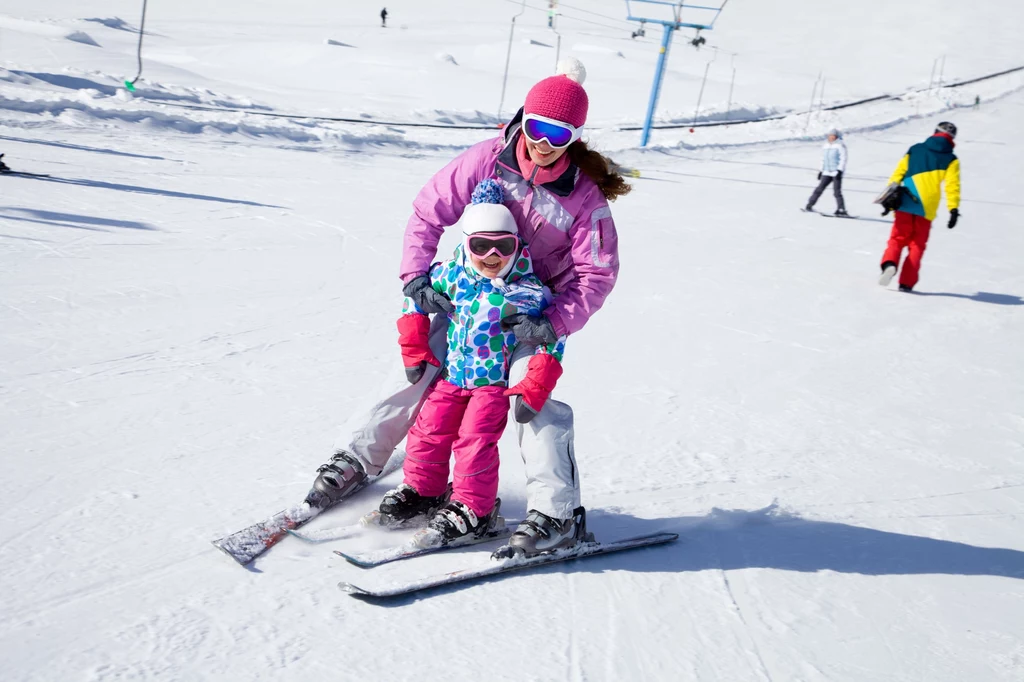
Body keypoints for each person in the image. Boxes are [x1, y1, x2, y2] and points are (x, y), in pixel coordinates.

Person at [305, 57, 630, 558]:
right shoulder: (486, 159)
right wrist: (416, 276)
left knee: (532, 400)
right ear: (523, 118)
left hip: (532, 314)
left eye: (560, 134)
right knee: (419, 369)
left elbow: (596, 274)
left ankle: (556, 514)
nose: (544, 143)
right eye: (538, 127)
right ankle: (359, 459)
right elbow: (428, 211)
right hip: (471, 297)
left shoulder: (584, 199)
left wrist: (553, 322)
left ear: (576, 138)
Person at [373, 179, 567, 546]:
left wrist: (538, 378)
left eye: (503, 246)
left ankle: (475, 509)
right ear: (466, 243)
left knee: (474, 441)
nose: (492, 256)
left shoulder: (525, 290)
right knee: (428, 431)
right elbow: (414, 296)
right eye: (481, 245)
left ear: (516, 245)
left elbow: (552, 335)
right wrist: (414, 340)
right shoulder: (451, 276)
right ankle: (424, 490)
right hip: (452, 377)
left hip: (492, 385)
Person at [878, 121, 961, 292]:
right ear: (952, 139)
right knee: (917, 245)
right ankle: (907, 282)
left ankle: (889, 264)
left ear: (934, 132)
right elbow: (952, 186)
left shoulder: (915, 149)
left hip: (906, 199)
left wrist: (888, 195)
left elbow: (898, 174)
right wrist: (953, 209)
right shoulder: (952, 159)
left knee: (897, 238)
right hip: (927, 206)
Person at [804, 128, 848, 216]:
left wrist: (840, 170)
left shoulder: (840, 146)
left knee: (837, 192)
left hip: (836, 172)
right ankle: (809, 205)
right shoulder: (826, 146)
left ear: (837, 137)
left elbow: (843, 159)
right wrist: (821, 171)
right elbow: (823, 160)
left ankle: (841, 209)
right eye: (830, 136)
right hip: (826, 172)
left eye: (833, 136)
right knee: (818, 189)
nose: (831, 138)